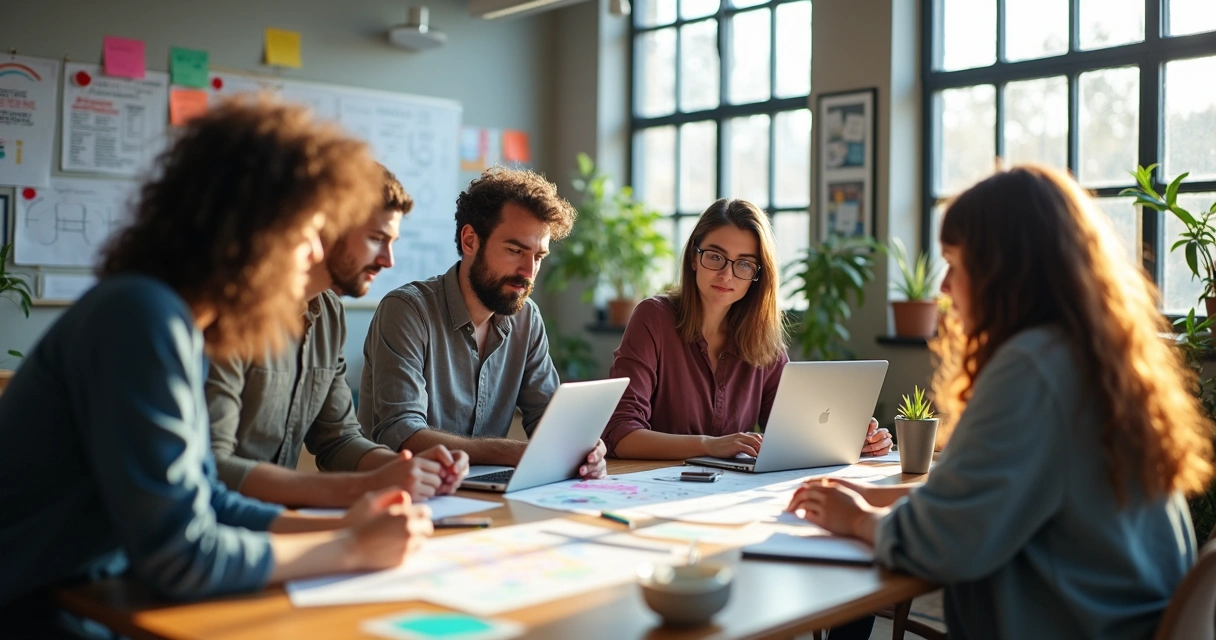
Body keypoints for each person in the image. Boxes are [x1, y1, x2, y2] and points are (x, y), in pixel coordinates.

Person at [0, 99, 433, 634]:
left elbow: (207, 500)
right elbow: (181, 555)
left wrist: (350, 523)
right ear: (251, 232)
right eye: (305, 232)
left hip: (92, 598)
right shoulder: (140, 316)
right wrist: (346, 547)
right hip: (36, 613)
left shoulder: (167, 316)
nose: (309, 254)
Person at [787, 165, 1214, 639]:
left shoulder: (1032, 367)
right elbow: (992, 497)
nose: (944, 289)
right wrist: (869, 497)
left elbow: (944, 542)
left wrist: (856, 519)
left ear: (1005, 269)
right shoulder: (1097, 358)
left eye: (955, 263)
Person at [206, 165, 468, 508]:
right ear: (329, 229)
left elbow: (338, 439)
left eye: (392, 243)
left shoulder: (329, 314)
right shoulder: (231, 313)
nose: (388, 260)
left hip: (278, 524)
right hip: (218, 527)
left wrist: (409, 467)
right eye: (376, 239)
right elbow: (212, 466)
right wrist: (361, 487)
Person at [359, 167, 606, 478]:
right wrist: (511, 452)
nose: (528, 272)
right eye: (516, 250)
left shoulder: (527, 319)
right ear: (470, 240)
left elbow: (548, 419)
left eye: (538, 256)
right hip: (401, 493)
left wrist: (582, 449)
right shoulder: (407, 311)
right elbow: (401, 433)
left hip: (484, 497)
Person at [603, 198, 893, 461]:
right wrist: (709, 444)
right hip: (650, 487)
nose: (727, 274)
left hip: (730, 492)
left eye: (744, 264)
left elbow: (790, 431)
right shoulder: (654, 317)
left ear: (758, 275)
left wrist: (850, 440)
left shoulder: (761, 335)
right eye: (715, 256)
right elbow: (621, 435)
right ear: (694, 257)